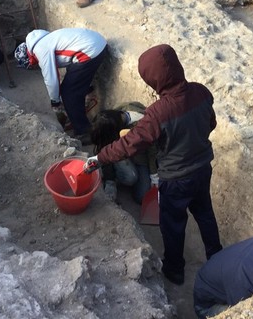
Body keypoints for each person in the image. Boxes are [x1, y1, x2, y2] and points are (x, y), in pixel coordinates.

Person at [85, 44, 222, 285]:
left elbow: (130, 144)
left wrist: (99, 158)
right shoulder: (201, 92)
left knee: (173, 224)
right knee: (205, 214)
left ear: (154, 79)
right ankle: (218, 257)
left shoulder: (158, 113)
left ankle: (175, 270)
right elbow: (211, 123)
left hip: (176, 178)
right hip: (202, 168)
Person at [15, 28, 108, 142]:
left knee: (68, 94)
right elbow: (69, 58)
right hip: (98, 44)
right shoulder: (45, 39)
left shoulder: (40, 50)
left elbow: (51, 79)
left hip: (90, 51)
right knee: (71, 85)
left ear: (27, 59)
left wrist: (55, 101)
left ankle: (84, 132)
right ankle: (83, 94)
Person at [90, 102, 157, 203]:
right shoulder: (114, 116)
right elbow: (105, 148)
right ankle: (111, 177)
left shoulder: (143, 127)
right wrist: (110, 181)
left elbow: (152, 152)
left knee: (141, 197)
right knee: (131, 177)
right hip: (122, 152)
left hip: (140, 159)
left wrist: (154, 176)